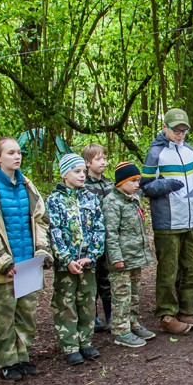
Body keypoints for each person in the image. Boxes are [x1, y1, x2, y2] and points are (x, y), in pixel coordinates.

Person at [0, 137, 53, 381]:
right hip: (2, 266)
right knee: (2, 317)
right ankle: (7, 361)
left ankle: (23, 355)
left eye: (18, 152)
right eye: (10, 153)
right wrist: (1, 261)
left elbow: (40, 218)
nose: (16, 157)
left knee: (26, 313)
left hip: (27, 262)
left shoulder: (28, 185)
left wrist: (41, 250)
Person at [140, 108, 193, 335]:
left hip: (191, 218)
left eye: (184, 130)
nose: (180, 134)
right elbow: (145, 186)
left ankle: (187, 310)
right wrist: (165, 185)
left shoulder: (190, 151)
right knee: (168, 270)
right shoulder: (155, 154)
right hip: (167, 222)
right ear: (165, 127)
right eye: (176, 130)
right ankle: (167, 315)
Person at [47, 153, 106, 365]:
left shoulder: (91, 197)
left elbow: (99, 227)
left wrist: (92, 255)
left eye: (83, 171)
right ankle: (70, 344)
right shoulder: (54, 200)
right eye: (76, 171)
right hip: (67, 265)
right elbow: (54, 231)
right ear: (65, 174)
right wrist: (65, 259)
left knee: (87, 301)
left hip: (87, 262)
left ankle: (85, 341)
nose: (82, 175)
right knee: (66, 303)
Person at [103, 162, 156, 348]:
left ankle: (133, 322)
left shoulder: (133, 198)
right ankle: (121, 330)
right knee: (121, 294)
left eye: (138, 181)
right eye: (133, 181)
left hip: (135, 257)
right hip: (122, 260)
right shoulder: (112, 202)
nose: (136, 185)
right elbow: (111, 233)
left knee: (134, 293)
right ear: (121, 182)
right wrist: (116, 257)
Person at [82, 143, 115, 333]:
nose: (103, 162)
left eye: (104, 158)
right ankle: (92, 316)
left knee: (107, 278)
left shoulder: (109, 184)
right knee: (92, 278)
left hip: (108, 238)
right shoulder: (83, 185)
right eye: (98, 159)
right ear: (87, 162)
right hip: (90, 240)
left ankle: (110, 315)